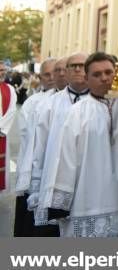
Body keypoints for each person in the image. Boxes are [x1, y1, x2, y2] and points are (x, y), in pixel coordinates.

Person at [40, 52, 118, 237]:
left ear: (116, 73)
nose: (104, 78)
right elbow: (64, 158)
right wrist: (60, 203)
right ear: (87, 79)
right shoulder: (76, 113)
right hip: (89, 195)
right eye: (97, 75)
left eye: (108, 72)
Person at [28, 52, 89, 234]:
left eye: (82, 65)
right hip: (54, 179)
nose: (77, 69)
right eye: (72, 66)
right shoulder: (48, 105)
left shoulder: (103, 104)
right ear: (66, 73)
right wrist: (36, 188)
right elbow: (39, 149)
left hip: (87, 180)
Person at [13, 58, 56, 236]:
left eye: (57, 72)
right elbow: (26, 136)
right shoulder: (33, 102)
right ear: (40, 77)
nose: (53, 77)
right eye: (48, 74)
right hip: (36, 166)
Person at [1, 62, 17, 195]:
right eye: (0, 70)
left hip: (1, 134)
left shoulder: (9, 89)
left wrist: (1, 128)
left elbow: (12, 111)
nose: (2, 73)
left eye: (3, 70)